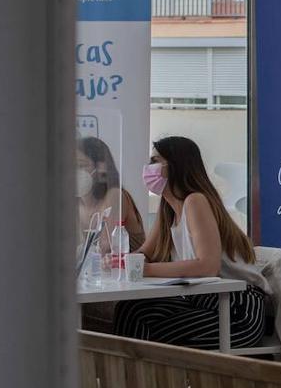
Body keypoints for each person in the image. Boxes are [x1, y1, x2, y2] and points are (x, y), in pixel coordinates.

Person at [114, 136, 270, 349]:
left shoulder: (195, 201)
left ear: (177, 166)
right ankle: (138, 380)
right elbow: (145, 254)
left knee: (147, 326)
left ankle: (140, 380)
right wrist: (118, 261)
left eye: (155, 161)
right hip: (202, 301)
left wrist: (145, 269)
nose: (149, 168)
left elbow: (207, 266)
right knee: (131, 310)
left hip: (236, 311)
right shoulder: (168, 208)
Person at [76, 135, 146, 252]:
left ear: (101, 168)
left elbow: (105, 248)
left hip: (128, 270)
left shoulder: (115, 195)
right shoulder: (73, 203)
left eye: (81, 165)